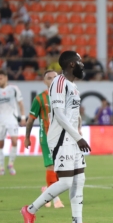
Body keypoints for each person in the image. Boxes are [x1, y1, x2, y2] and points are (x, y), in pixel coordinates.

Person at [21, 51, 98, 223]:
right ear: (71, 64)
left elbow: (72, 113)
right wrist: (78, 137)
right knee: (65, 182)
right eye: (79, 62)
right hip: (61, 137)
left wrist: (77, 131)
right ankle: (30, 210)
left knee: (79, 179)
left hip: (72, 137)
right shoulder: (59, 82)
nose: (82, 65)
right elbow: (59, 114)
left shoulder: (72, 86)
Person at [24, 70, 65, 209]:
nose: (52, 80)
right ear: (44, 81)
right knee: (51, 167)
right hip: (46, 138)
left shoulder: (65, 96)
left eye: (55, 77)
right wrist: (27, 138)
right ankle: (56, 200)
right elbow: (30, 120)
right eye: (49, 78)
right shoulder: (40, 99)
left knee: (62, 171)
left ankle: (47, 190)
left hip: (62, 137)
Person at [0, 70, 25, 176]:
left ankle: (11, 164)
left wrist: (22, 117)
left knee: (14, 141)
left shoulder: (14, 89)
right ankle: (1, 168)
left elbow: (21, 104)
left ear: (6, 78)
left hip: (12, 119)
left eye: (0, 78)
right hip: (0, 120)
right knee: (0, 144)